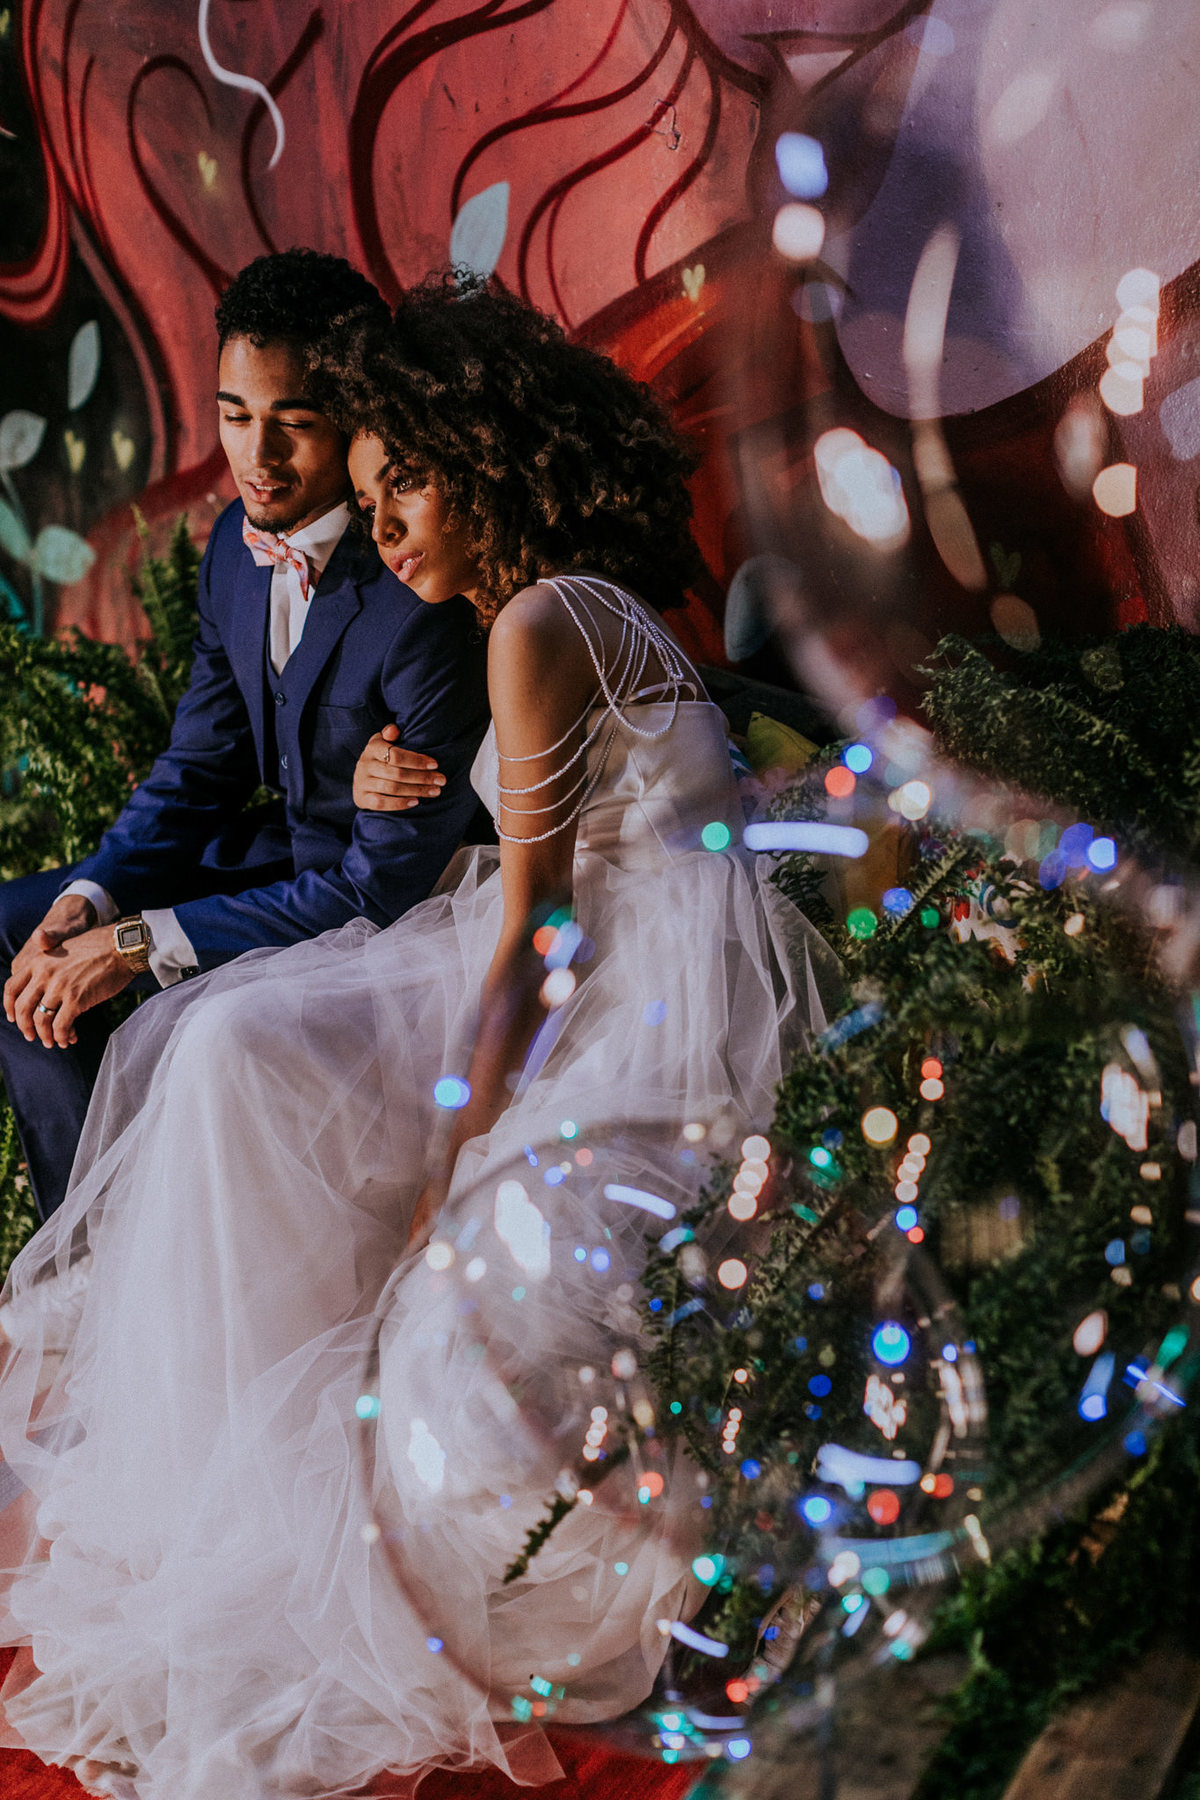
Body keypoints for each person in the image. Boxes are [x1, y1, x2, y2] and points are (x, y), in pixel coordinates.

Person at [0, 277, 835, 1799]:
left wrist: (464, 1151)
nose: (380, 527)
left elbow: (537, 928)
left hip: (634, 992)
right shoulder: (544, 608)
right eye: (370, 493)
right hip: (584, 941)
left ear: (482, 466)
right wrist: (414, 792)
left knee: (275, 1101)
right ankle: (213, 1476)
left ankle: (306, 1518)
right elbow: (511, 839)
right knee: (226, 1054)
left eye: (404, 487)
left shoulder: (534, 623)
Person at [0, 248, 489, 1221]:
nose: (256, 457)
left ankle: (141, 1244)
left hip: (387, 922)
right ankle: (85, 1236)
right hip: (274, 863)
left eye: (293, 424)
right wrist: (93, 898)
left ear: (354, 415)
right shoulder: (232, 545)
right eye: (234, 416)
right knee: (19, 924)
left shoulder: (422, 591)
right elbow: (199, 766)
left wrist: (136, 942)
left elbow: (379, 891)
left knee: (181, 1011)